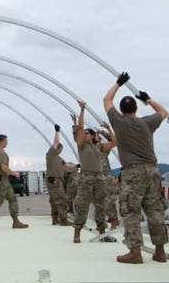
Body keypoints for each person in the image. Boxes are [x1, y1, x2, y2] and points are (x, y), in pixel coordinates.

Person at [104, 71, 169, 264]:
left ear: (122, 110)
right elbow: (163, 113)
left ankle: (135, 252)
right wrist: (148, 99)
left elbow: (107, 100)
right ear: (135, 109)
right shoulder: (147, 122)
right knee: (155, 212)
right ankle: (160, 251)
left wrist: (118, 83)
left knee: (131, 212)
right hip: (152, 171)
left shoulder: (119, 122)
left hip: (133, 173)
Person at [73, 101, 117, 243]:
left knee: (101, 205)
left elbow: (114, 142)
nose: (84, 134)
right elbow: (80, 128)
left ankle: (102, 232)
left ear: (92, 136)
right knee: (82, 205)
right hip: (86, 177)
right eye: (84, 133)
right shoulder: (82, 146)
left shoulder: (99, 146)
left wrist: (108, 129)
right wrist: (82, 110)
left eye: (87, 133)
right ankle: (77, 232)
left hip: (99, 178)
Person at [45, 124, 72, 226]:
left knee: (54, 200)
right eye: (60, 149)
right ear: (58, 149)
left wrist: (78, 165)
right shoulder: (51, 154)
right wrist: (57, 132)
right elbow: (56, 143)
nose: (61, 151)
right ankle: (63, 220)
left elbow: (67, 166)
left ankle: (55, 219)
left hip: (56, 181)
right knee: (62, 199)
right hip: (54, 180)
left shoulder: (58, 158)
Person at [96, 125, 120, 230]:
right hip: (96, 178)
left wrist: (102, 132)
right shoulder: (89, 148)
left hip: (106, 177)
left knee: (109, 200)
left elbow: (113, 140)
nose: (98, 136)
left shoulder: (103, 148)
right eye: (96, 134)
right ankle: (102, 224)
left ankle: (114, 220)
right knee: (99, 202)